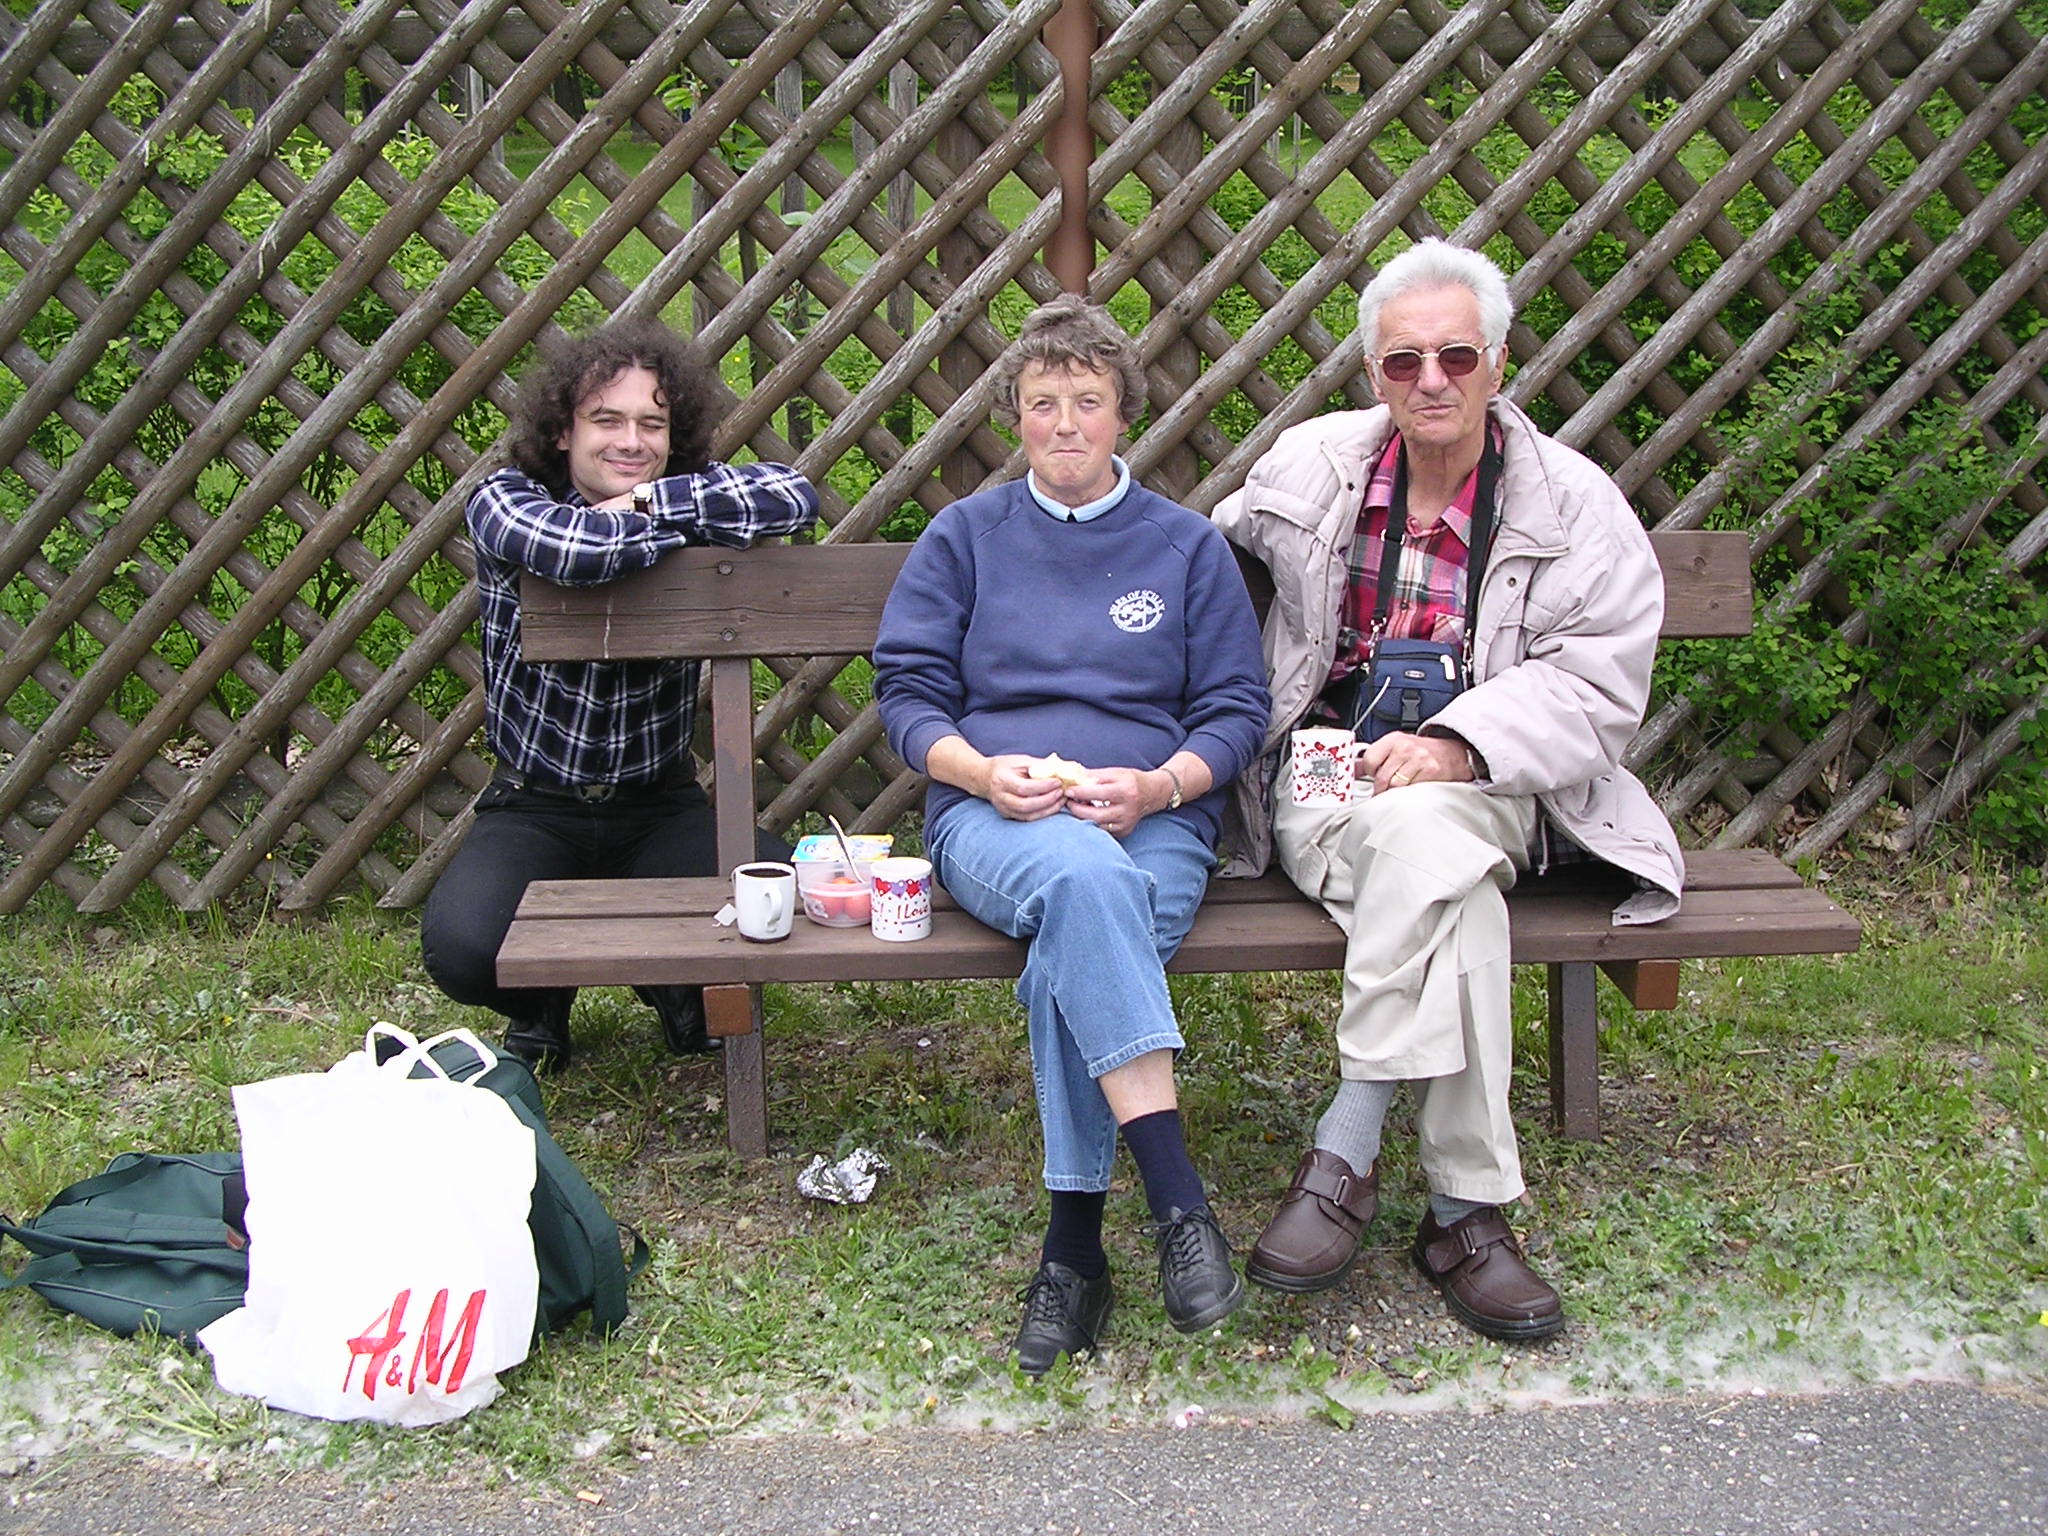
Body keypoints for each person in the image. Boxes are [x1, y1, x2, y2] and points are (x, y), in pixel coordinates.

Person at [1212, 240, 1684, 1341]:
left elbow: (1599, 689)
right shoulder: (1309, 467)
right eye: (1403, 361)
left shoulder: (1573, 506)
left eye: (1456, 356)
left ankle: (1345, 1148)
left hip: (1493, 789)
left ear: (1499, 362)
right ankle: (1465, 1217)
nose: (1431, 380)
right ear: (1370, 373)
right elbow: (1205, 565)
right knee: (1456, 895)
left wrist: (1462, 746)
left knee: (1430, 830)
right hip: (1326, 778)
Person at [873, 296, 1269, 1375]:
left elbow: (1237, 711)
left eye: (1085, 401)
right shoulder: (966, 537)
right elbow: (907, 696)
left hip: (1154, 822)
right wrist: (980, 774)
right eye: (1041, 402)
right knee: (1088, 887)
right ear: (1014, 414)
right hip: (995, 820)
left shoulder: (1185, 547)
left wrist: (1158, 786)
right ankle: (1179, 1204)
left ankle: (1075, 1255)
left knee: (1085, 929)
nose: (1063, 424)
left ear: (1122, 414)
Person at [422, 319, 819, 1071]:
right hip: (535, 802)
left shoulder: (665, 494)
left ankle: (674, 986)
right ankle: (541, 1000)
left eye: (652, 424)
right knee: (465, 949)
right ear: (562, 431)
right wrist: (678, 523)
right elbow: (571, 550)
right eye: (606, 420)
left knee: (784, 901)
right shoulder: (505, 497)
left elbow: (792, 496)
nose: (630, 441)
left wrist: (641, 507)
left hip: (657, 804)